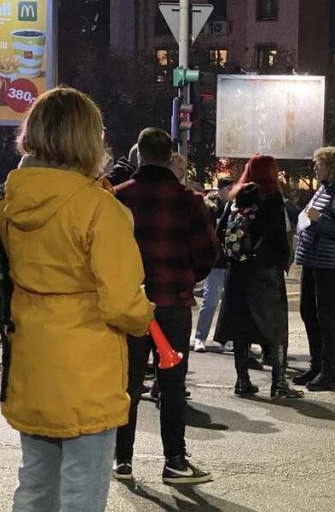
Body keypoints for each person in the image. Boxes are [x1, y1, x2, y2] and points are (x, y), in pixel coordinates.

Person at [0, 86, 155, 512]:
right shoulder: (98, 207)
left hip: (33, 361)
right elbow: (122, 303)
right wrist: (147, 316)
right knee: (84, 495)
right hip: (85, 366)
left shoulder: (9, 203)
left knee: (35, 490)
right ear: (86, 139)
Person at [113, 128, 219, 484]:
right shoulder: (190, 201)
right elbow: (207, 254)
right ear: (170, 155)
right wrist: (185, 276)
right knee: (172, 384)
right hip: (173, 301)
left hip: (128, 304)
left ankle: (121, 460)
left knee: (126, 383)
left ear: (139, 154)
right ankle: (174, 459)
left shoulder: (117, 198)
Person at [214, 155, 304, 399]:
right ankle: (278, 383)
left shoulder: (235, 198)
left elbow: (221, 230)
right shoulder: (272, 198)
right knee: (275, 328)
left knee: (240, 326)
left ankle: (242, 380)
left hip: (237, 271)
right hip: (264, 271)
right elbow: (277, 235)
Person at [294, 147, 335, 392]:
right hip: (313, 260)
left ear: (332, 167)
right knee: (308, 312)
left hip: (329, 264)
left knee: (326, 317)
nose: (316, 168)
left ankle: (330, 370)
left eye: (319, 164)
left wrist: (318, 220)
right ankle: (317, 364)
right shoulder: (323, 189)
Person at [193, 177, 233, 353]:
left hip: (230, 260)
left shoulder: (235, 206)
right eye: (228, 189)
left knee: (229, 302)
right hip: (216, 261)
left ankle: (224, 338)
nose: (231, 192)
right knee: (210, 300)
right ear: (221, 189)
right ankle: (200, 337)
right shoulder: (211, 207)